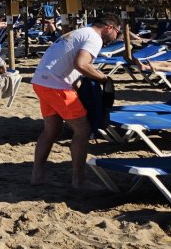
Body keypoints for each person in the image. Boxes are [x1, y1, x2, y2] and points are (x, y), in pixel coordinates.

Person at [29, 14, 120, 188]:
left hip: (41, 81)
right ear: (109, 27)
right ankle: (79, 181)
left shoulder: (81, 32)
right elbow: (82, 64)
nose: (116, 37)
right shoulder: (94, 38)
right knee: (83, 131)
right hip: (56, 85)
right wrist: (104, 79)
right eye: (117, 32)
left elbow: (72, 66)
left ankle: (37, 176)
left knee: (51, 131)